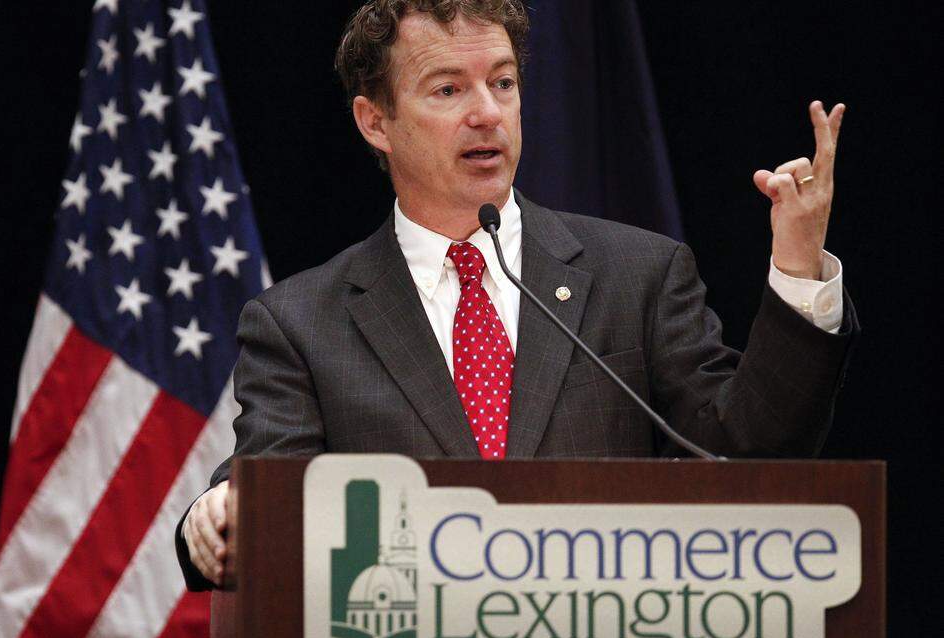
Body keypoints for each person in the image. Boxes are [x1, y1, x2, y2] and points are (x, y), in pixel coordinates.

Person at [175, 0, 856, 591]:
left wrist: (797, 268)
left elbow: (751, 452)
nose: (487, 113)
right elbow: (268, 488)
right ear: (374, 121)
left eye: (502, 83)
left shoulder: (638, 276)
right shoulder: (299, 322)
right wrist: (222, 511)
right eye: (447, 90)